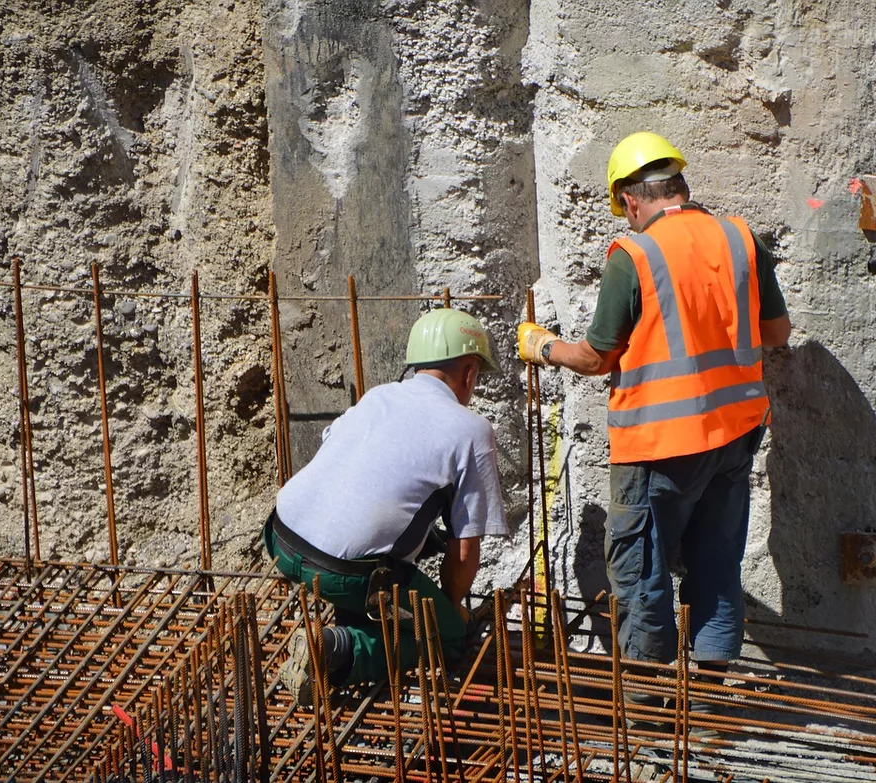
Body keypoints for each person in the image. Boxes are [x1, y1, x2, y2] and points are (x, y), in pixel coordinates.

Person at [517, 132, 791, 728]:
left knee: (640, 569)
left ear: (630, 199)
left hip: (659, 448)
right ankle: (711, 691)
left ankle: (646, 710)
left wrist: (543, 348)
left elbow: (596, 358)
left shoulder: (634, 254)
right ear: (680, 189)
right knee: (717, 562)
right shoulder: (740, 238)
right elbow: (776, 334)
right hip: (733, 437)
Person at [266, 308, 509, 704]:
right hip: (340, 572)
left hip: (281, 537)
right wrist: (449, 612)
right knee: (445, 636)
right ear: (469, 372)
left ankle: (351, 618)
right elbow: (464, 551)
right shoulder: (471, 430)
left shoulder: (378, 396)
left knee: (386, 569)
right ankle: (338, 650)